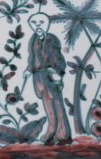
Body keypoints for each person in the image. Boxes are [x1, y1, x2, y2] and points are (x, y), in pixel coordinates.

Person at [24, 12, 71, 145]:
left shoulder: (52, 39)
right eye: (34, 23)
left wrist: (57, 71)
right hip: (38, 76)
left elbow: (57, 56)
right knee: (47, 103)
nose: (38, 26)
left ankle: (62, 134)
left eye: (41, 23)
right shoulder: (33, 39)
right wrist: (29, 69)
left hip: (50, 74)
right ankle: (52, 131)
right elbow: (31, 56)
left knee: (56, 103)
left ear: (47, 24)